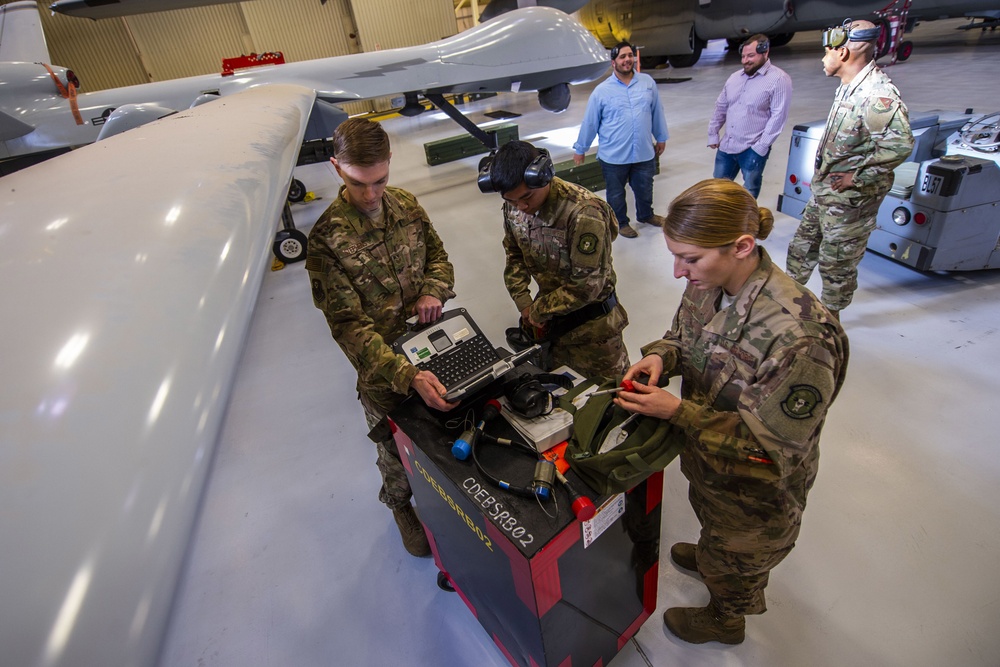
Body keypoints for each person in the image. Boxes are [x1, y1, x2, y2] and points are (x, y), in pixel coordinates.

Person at [614, 179, 849, 645]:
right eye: (675, 255)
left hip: (756, 494)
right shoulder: (711, 282)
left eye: (690, 258)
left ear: (742, 246)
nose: (679, 272)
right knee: (712, 526)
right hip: (711, 467)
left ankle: (725, 619)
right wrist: (664, 355)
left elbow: (771, 447)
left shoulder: (800, 337)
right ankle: (712, 552)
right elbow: (682, 336)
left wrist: (677, 412)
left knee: (736, 562)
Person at [305, 118, 457, 558]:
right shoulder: (327, 240)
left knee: (445, 428)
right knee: (393, 449)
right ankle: (400, 506)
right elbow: (349, 328)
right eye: (358, 183)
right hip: (385, 371)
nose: (371, 195)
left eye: (380, 181)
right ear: (336, 168)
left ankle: (442, 497)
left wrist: (434, 289)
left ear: (390, 164)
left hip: (431, 345)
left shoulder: (407, 206)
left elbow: (440, 259)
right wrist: (407, 375)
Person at [786, 19, 914, 319]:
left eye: (827, 51)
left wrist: (857, 176)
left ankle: (830, 326)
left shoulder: (876, 95)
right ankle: (787, 308)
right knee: (800, 250)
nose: (822, 57)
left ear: (843, 53)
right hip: (824, 195)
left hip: (850, 204)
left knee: (836, 266)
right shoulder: (849, 86)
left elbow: (900, 145)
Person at [479, 140, 630, 379]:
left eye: (527, 196)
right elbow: (514, 252)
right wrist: (523, 301)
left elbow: (587, 287)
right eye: (511, 200)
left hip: (593, 333)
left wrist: (538, 310)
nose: (521, 206)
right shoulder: (516, 206)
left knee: (608, 399)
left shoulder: (583, 213)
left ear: (544, 176)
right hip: (551, 327)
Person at [572, 41, 669, 239]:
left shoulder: (647, 83)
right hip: (614, 156)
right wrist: (581, 148)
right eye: (622, 57)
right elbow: (590, 122)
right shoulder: (601, 91)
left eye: (629, 56)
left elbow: (657, 112)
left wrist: (661, 137)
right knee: (616, 194)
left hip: (643, 151)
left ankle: (646, 215)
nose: (627, 60)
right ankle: (621, 223)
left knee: (645, 188)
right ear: (613, 62)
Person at [707, 33, 792, 199]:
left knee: (749, 191)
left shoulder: (779, 79)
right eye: (743, 56)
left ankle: (745, 222)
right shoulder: (734, 78)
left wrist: (761, 146)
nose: (745, 60)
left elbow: (778, 116)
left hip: (752, 148)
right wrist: (713, 133)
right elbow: (721, 107)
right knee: (717, 189)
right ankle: (721, 220)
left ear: (765, 53)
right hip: (727, 145)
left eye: (751, 56)